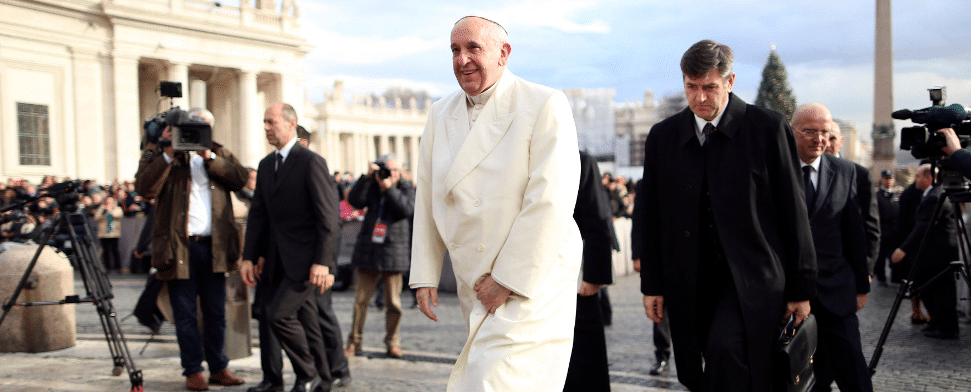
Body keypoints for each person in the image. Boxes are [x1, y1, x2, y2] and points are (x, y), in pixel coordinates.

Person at [409, 16, 582, 392]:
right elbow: (429, 195)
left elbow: (550, 199)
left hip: (532, 275)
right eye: (455, 49)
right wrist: (425, 273)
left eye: (473, 48)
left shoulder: (544, 103)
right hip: (477, 274)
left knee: (496, 380)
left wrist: (506, 279)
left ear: (503, 53)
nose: (462, 59)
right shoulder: (440, 113)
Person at [632, 39, 816, 392]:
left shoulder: (768, 129)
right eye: (691, 87)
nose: (700, 98)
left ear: (730, 82)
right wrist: (651, 285)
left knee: (726, 351)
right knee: (698, 369)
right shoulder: (663, 137)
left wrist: (801, 288)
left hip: (752, 279)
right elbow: (649, 214)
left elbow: (794, 212)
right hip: (687, 282)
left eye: (710, 88)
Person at [134, 107, 248, 391]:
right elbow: (144, 188)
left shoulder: (218, 153)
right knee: (184, 313)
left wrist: (209, 156)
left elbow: (240, 178)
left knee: (216, 312)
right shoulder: (162, 152)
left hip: (215, 248)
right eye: (192, 127)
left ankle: (219, 366)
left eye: (204, 127)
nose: (196, 133)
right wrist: (167, 152)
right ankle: (193, 370)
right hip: (180, 248)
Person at [240, 103, 342, 392]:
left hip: (306, 262)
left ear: (291, 123)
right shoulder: (265, 165)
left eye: (271, 121)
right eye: (264, 122)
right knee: (306, 323)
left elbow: (329, 218)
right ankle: (317, 380)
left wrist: (324, 262)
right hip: (274, 260)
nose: (266, 127)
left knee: (278, 315)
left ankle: (307, 374)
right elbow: (259, 215)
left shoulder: (311, 161)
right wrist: (250, 256)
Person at [791, 103, 873, 392]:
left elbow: (855, 234)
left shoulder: (846, 171)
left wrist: (861, 285)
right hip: (788, 298)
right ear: (793, 132)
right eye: (810, 131)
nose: (819, 138)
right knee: (798, 376)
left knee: (854, 373)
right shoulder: (774, 170)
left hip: (837, 292)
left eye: (825, 131)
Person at [293, 125, 354, 388]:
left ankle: (338, 369)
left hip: (318, 259)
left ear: (302, 142)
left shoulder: (314, 167)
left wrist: (326, 263)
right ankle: (319, 370)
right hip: (296, 259)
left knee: (323, 315)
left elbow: (331, 222)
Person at [342, 153, 415, 359]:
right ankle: (353, 341)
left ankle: (393, 342)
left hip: (394, 250)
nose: (389, 174)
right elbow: (355, 201)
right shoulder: (372, 184)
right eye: (386, 169)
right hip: (369, 249)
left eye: (393, 170)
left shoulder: (406, 187)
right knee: (361, 301)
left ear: (399, 171)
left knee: (393, 302)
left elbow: (406, 209)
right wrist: (367, 178)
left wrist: (389, 189)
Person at [563, 150, 614, 392]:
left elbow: (598, 217)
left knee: (585, 358)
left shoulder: (579, 159)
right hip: (532, 279)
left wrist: (594, 278)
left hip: (576, 278)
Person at [891, 164, 960, 339]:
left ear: (929, 178)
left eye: (918, 176)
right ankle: (937, 322)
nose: (916, 180)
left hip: (939, 255)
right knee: (928, 288)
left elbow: (923, 226)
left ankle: (946, 327)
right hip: (933, 254)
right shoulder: (931, 194)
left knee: (941, 291)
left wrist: (903, 248)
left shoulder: (935, 196)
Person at [826, 122, 880, 278]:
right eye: (825, 137)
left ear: (841, 141)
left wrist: (867, 269)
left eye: (833, 138)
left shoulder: (860, 174)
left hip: (845, 265)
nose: (828, 143)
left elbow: (870, 226)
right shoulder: (802, 170)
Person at [874, 170, 900, 285]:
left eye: (891, 179)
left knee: (894, 256)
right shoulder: (877, 195)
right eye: (886, 179)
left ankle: (895, 277)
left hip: (894, 231)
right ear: (882, 179)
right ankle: (881, 277)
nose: (888, 181)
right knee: (881, 257)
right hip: (882, 230)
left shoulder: (897, 195)